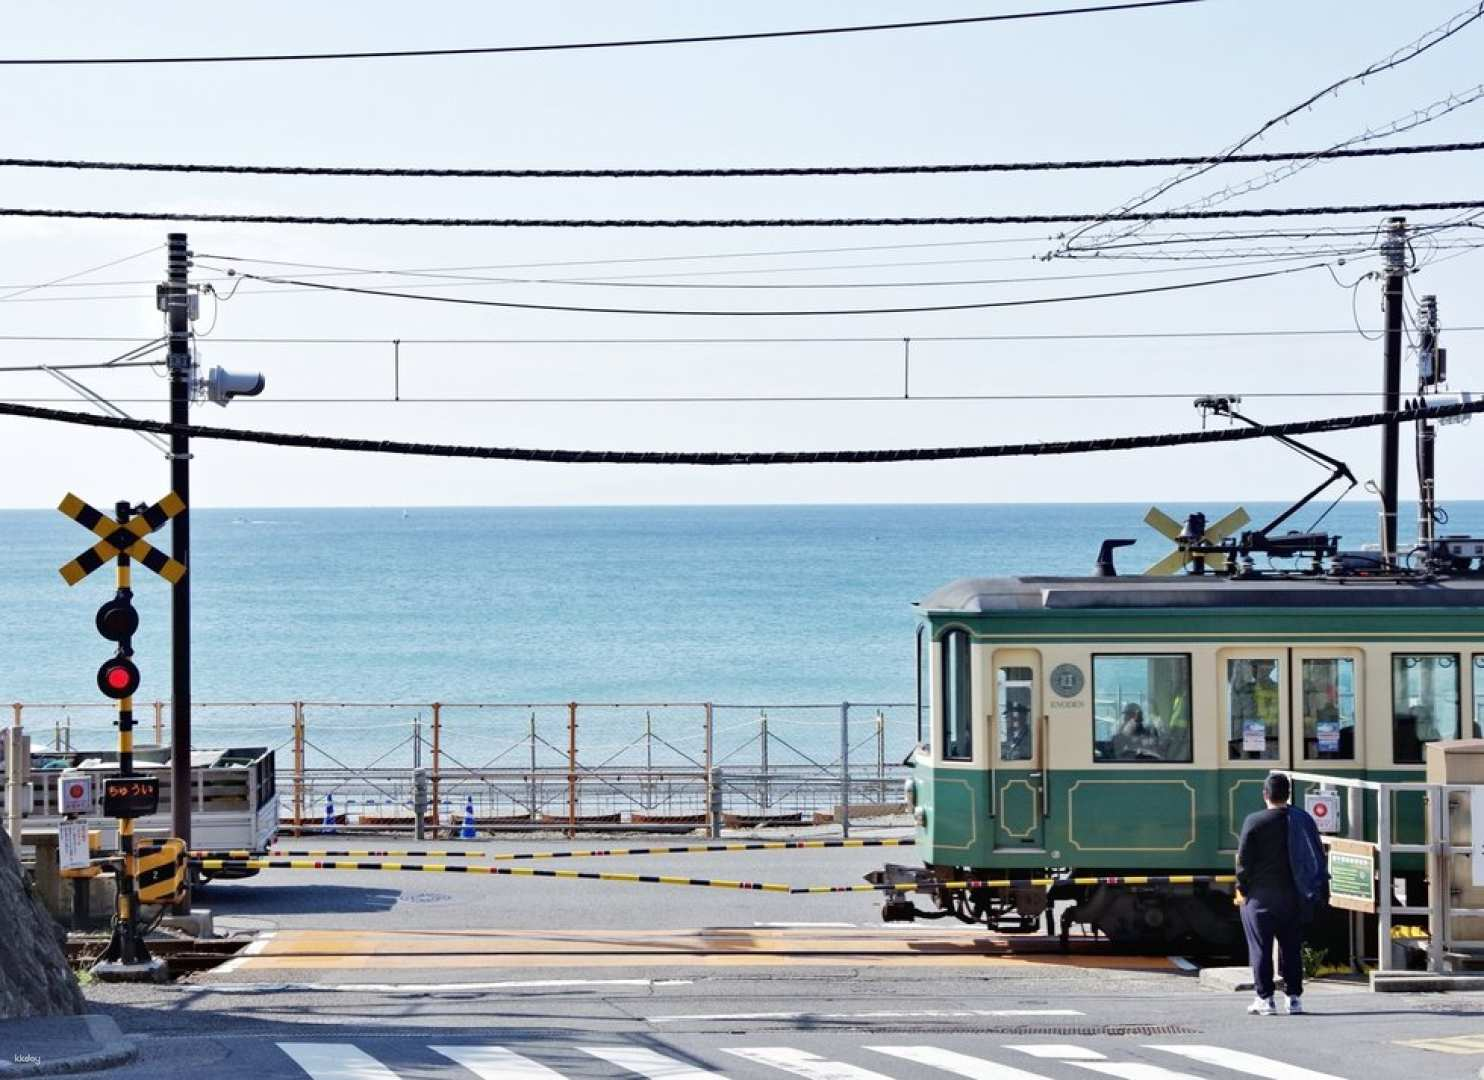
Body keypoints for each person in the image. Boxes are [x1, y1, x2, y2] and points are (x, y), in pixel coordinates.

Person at [1235, 771, 1328, 1016]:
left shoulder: (1254, 821)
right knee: (1291, 947)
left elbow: (1244, 862)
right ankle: (1294, 998)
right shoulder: (1303, 820)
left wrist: (1242, 888)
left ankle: (1265, 999)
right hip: (1294, 896)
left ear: (1265, 795)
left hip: (1260, 897)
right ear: (1288, 794)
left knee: (1261, 949)